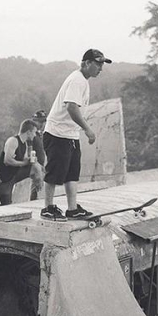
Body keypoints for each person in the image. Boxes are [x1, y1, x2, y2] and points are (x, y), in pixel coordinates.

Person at [41, 48, 111, 221]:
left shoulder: (83, 81)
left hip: (69, 134)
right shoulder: (77, 80)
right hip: (57, 133)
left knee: (72, 173)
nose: (100, 68)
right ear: (86, 63)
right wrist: (87, 128)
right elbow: (71, 107)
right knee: (55, 172)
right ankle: (48, 207)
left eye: (102, 64)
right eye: (97, 64)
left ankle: (72, 209)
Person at [0, 119, 44, 205]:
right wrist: (24, 163)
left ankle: (36, 196)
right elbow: (7, 160)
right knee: (6, 204)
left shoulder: (25, 143)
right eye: (34, 132)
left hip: (15, 174)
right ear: (28, 132)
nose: (34, 135)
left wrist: (31, 161)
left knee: (37, 167)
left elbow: (25, 160)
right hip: (5, 178)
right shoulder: (13, 141)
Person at [29, 110, 48, 201]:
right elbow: (30, 151)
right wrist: (35, 164)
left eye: (43, 121)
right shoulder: (31, 135)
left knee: (37, 187)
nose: (41, 124)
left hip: (40, 165)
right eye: (39, 121)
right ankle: (32, 203)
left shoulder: (39, 134)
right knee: (35, 186)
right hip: (34, 166)